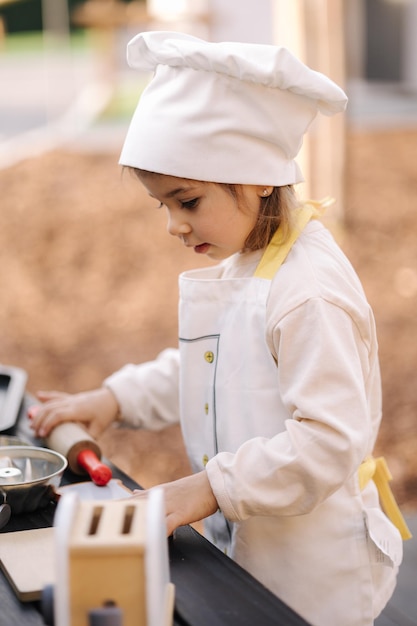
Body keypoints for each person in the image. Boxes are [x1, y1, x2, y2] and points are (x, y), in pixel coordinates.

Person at [30, 31, 406, 626]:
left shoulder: (308, 292)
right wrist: (114, 398)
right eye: (164, 206)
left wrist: (203, 490)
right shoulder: (253, 260)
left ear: (257, 175)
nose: (175, 226)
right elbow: (208, 365)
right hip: (254, 558)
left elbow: (327, 442)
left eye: (188, 201)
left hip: (314, 582)